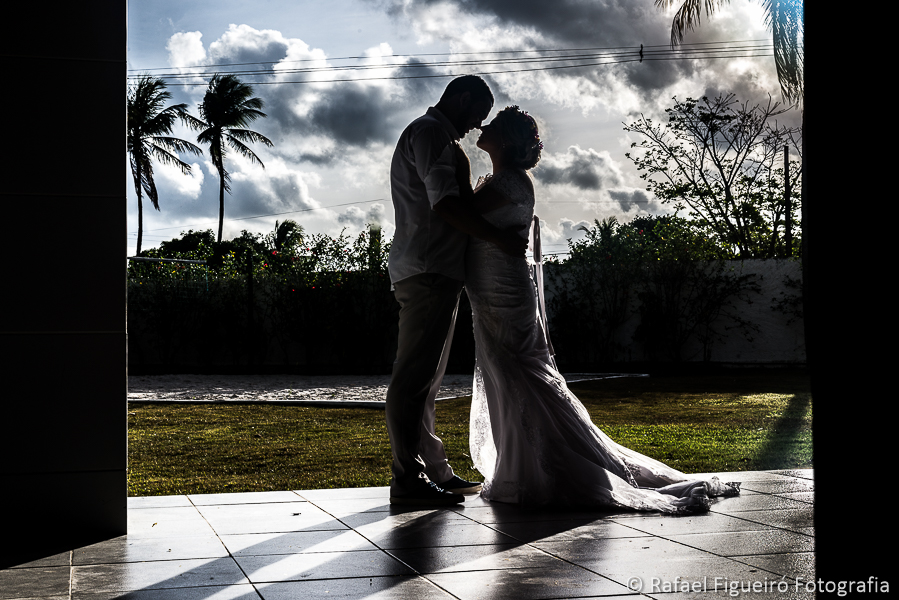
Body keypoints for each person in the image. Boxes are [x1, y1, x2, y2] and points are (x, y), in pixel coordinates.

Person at [459, 106, 740, 513]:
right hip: (490, 291)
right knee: (509, 375)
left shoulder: (509, 181)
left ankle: (545, 468)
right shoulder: (503, 180)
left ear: (504, 140)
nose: (483, 128)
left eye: (493, 125)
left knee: (520, 375)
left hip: (503, 291)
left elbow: (459, 215)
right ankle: (526, 467)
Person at [385, 76, 528, 506]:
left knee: (424, 381)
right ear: (462, 99)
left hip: (438, 269)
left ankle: (434, 472)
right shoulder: (431, 134)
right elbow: (445, 204)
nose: (476, 125)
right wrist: (498, 238)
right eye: (476, 114)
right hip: (429, 268)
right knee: (413, 379)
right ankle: (407, 480)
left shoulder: (440, 137)